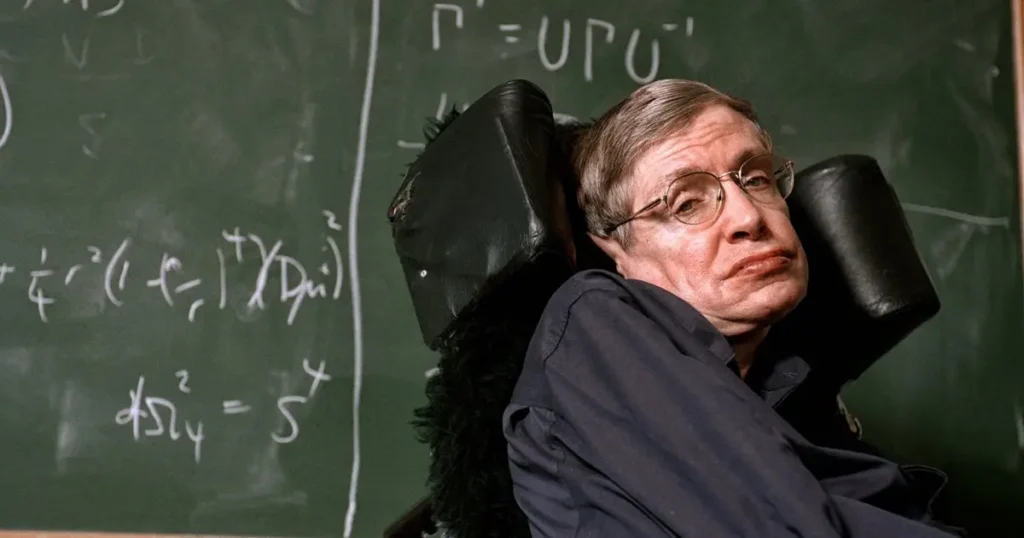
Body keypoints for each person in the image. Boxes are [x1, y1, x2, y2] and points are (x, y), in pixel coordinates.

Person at [502, 79, 963, 537]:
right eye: (687, 203)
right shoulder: (594, 323)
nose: (749, 217)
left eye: (757, 179)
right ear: (616, 252)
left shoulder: (795, 394)